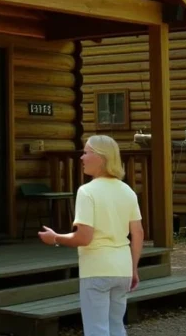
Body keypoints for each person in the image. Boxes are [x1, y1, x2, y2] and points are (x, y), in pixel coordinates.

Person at [38, 135, 144, 336]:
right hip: (122, 269)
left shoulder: (87, 192)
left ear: (101, 158)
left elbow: (84, 238)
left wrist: (55, 238)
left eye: (86, 152)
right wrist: (134, 268)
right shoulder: (128, 191)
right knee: (116, 327)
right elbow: (138, 233)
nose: (82, 157)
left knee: (97, 330)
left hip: (96, 269)